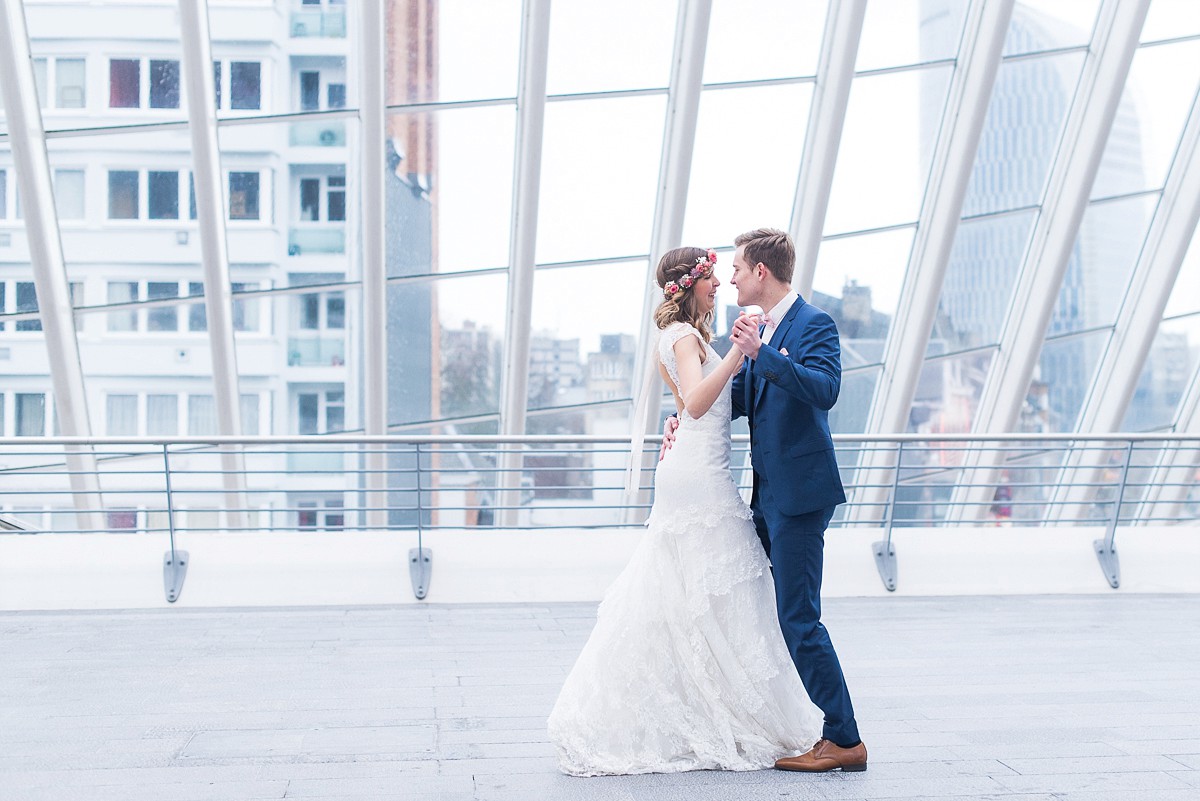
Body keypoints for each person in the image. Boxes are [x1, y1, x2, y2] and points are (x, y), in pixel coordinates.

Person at [546, 246, 822, 777]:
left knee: (697, 591)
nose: (719, 286)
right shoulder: (685, 337)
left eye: (724, 276)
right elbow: (696, 402)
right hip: (699, 480)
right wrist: (746, 352)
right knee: (718, 585)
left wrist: (697, 400)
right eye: (712, 279)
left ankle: (711, 701)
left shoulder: (684, 339)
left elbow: (686, 408)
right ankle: (717, 709)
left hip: (695, 468)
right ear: (688, 285)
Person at [663, 228, 865, 772]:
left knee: (799, 616)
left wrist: (762, 355)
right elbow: (739, 401)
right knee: (772, 612)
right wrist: (683, 419)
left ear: (761, 273)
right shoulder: (761, 329)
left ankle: (844, 739)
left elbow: (825, 390)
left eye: (736, 268)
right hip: (768, 495)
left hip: (800, 495)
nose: (729, 278)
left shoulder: (813, 324)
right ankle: (806, 725)